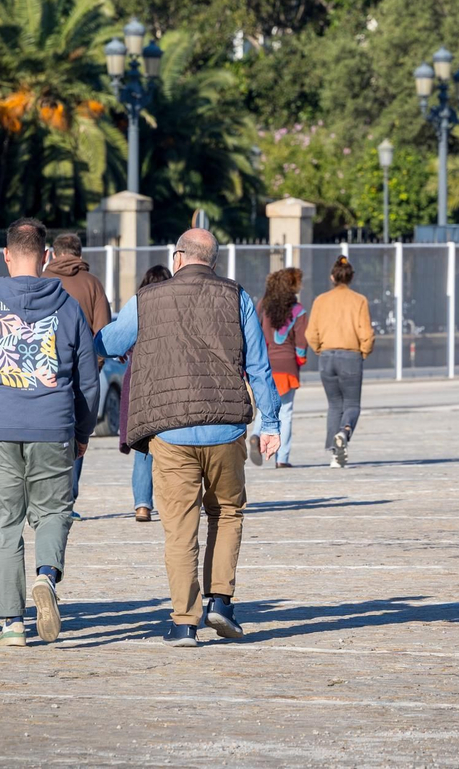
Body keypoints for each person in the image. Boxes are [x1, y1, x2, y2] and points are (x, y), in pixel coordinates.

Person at [95, 228, 281, 649]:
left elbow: (107, 342)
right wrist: (270, 424)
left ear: (177, 258)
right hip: (226, 427)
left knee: (179, 528)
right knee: (228, 512)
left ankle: (184, 623)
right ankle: (221, 601)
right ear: (212, 261)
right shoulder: (238, 298)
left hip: (172, 430)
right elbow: (258, 366)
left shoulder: (147, 299)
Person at [0, 218, 98, 649]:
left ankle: (12, 623)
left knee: (5, 527)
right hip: (53, 426)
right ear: (46, 256)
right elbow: (88, 380)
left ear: (7, 256)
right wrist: (82, 430)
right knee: (53, 512)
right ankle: (46, 576)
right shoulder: (67, 306)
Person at [45, 233, 112, 518]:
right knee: (78, 431)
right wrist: (93, 366)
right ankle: (67, 500)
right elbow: (103, 332)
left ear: (53, 254)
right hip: (80, 375)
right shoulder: (92, 284)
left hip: (43, 371)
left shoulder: (42, 280)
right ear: (80, 254)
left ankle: (44, 499)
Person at [305, 255, 373, 467]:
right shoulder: (359, 300)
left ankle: (335, 454)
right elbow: (366, 333)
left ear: (332, 277)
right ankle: (344, 432)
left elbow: (311, 333)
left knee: (334, 405)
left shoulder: (320, 300)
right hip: (350, 355)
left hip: (326, 356)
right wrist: (363, 351)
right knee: (352, 404)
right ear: (351, 278)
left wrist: (319, 349)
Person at [120, 266, 172, 519]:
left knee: (144, 445)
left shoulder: (137, 306)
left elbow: (119, 339)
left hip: (140, 380)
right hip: (169, 380)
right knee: (172, 444)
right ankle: (173, 502)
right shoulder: (177, 308)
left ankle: (142, 504)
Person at [252, 268, 308, 465]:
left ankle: (256, 435)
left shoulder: (262, 307)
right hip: (287, 366)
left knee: (263, 408)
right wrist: (301, 359)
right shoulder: (298, 310)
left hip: (266, 365)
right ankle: (282, 458)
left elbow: (254, 334)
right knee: (286, 412)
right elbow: (301, 344)